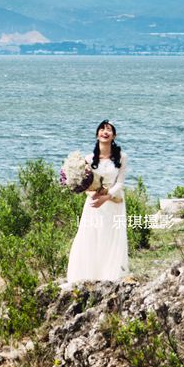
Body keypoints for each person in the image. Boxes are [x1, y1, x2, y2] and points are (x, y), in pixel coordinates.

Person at [66, 120, 129, 283]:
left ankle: (110, 274)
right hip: (94, 202)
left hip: (115, 201)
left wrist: (106, 196)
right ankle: (88, 274)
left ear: (114, 135)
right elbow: (83, 183)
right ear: (97, 134)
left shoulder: (121, 157)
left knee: (112, 236)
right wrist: (93, 193)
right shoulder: (88, 158)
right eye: (102, 129)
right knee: (92, 236)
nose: (105, 132)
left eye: (109, 130)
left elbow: (120, 182)